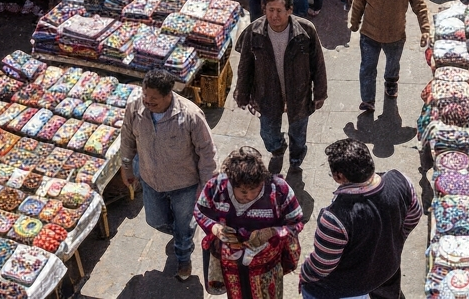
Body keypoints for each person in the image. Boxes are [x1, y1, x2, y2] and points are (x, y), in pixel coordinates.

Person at [120, 69, 217, 282]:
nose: (147, 101)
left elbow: (207, 152)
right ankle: (184, 232)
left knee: (182, 228)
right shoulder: (135, 108)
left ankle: (183, 258)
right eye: (145, 95)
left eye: (153, 98)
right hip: (151, 181)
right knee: (156, 221)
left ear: (168, 95)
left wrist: (206, 187)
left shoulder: (190, 115)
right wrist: (127, 167)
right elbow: (127, 138)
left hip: (185, 185)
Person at [299, 139, 421, 299]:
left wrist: (304, 274)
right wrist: (395, 240)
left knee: (310, 289)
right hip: (388, 269)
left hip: (350, 287)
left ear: (338, 176)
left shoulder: (334, 218)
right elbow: (415, 215)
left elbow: (322, 266)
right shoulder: (400, 180)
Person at [235, 0, 327, 172]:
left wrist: (320, 93)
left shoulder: (306, 30)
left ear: (290, 10)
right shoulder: (254, 32)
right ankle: (277, 150)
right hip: (267, 94)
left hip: (298, 94)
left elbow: (318, 64)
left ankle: (295, 159)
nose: (274, 15)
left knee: (298, 135)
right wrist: (242, 94)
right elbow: (245, 65)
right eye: (270, 10)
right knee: (268, 132)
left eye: (279, 10)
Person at [195, 147, 304, 298]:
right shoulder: (216, 187)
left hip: (267, 267)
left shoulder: (278, 189)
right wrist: (215, 228)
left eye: (255, 189)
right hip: (231, 266)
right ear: (232, 182)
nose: (250, 196)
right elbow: (200, 211)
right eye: (243, 192)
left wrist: (271, 232)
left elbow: (296, 222)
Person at [348, 0, 431, 113]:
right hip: (370, 34)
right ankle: (368, 100)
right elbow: (358, 2)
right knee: (367, 68)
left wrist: (425, 30)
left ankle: (391, 83)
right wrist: (354, 22)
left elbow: (420, 6)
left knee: (392, 65)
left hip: (395, 35)